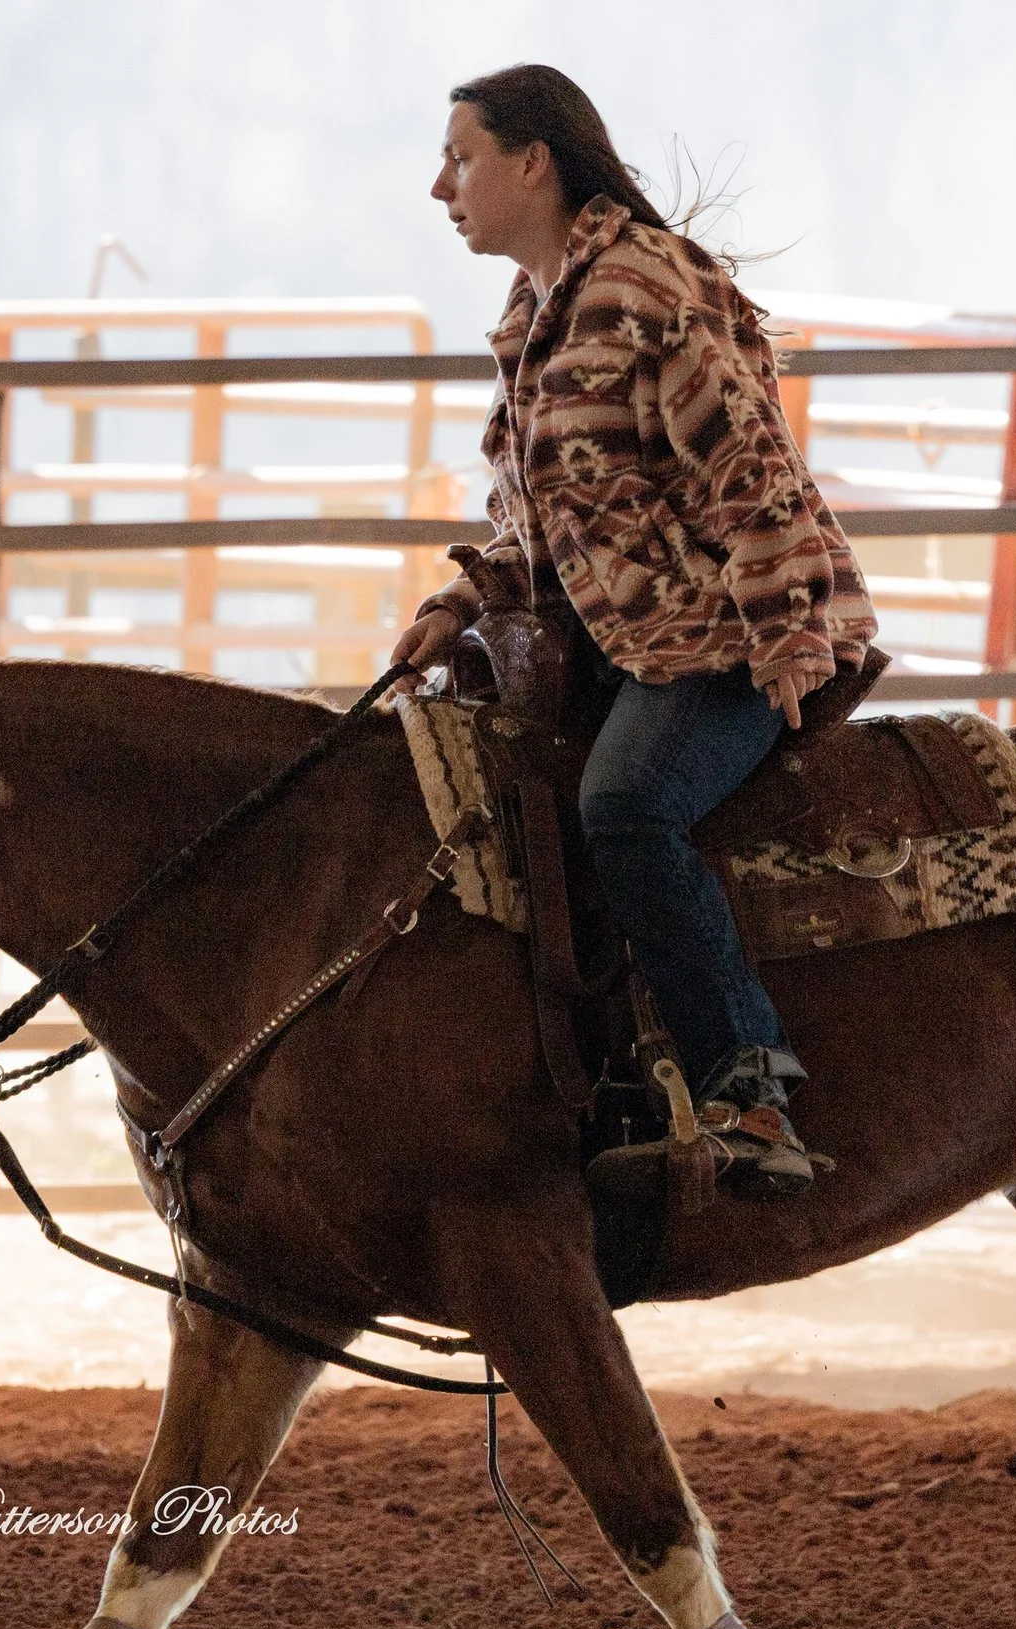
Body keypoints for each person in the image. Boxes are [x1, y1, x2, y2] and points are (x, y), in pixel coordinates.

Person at [390, 62, 877, 1200]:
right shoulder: (536, 313)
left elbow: (751, 472)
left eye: (460, 156)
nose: (438, 184)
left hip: (726, 633)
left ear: (532, 161)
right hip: (628, 639)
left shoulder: (641, 288)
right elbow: (545, 515)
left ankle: (745, 1085)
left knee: (627, 805)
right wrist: (457, 603)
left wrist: (791, 634)